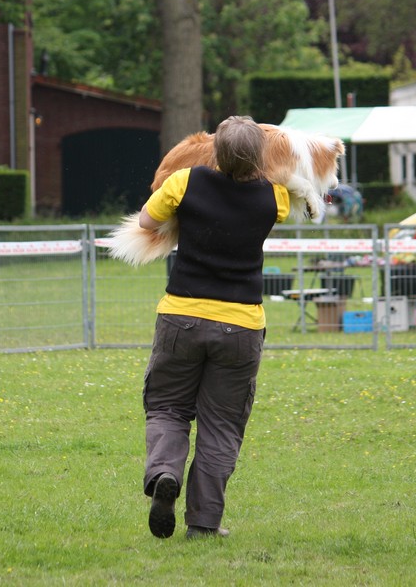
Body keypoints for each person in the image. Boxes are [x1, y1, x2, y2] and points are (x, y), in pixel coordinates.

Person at [138, 116, 290, 540]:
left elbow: (147, 222)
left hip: (180, 316)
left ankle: (165, 472)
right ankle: (203, 524)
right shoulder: (274, 197)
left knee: (168, 407)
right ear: (259, 156)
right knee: (221, 424)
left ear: (214, 152)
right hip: (241, 325)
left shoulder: (185, 181)